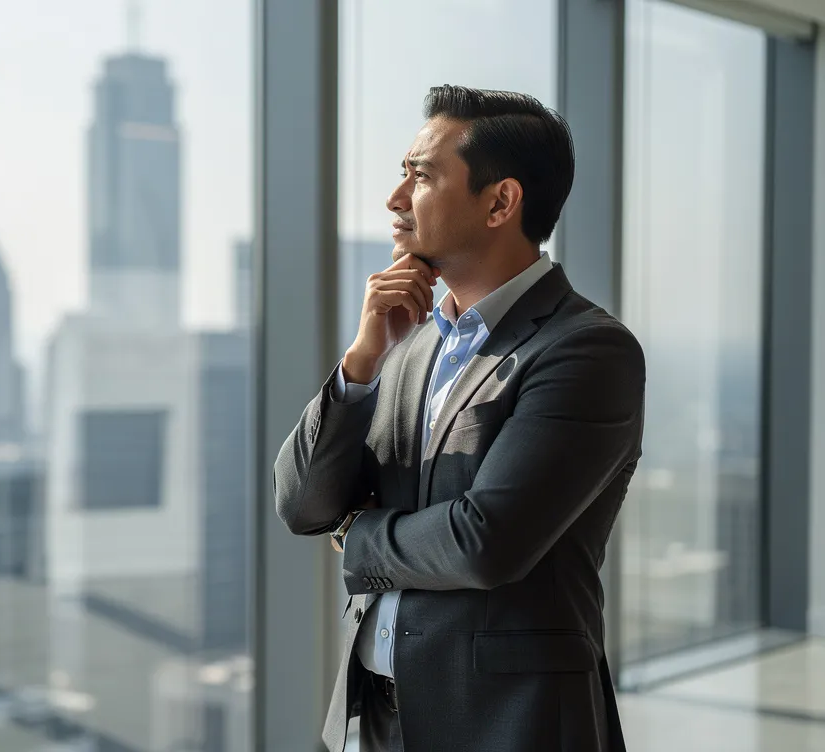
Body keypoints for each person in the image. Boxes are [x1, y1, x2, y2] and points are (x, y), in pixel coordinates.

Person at [274, 85, 644, 752]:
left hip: (509, 722)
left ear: (501, 201)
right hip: (374, 719)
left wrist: (355, 533)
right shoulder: (409, 344)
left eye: (418, 177)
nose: (394, 201)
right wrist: (361, 363)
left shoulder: (585, 349)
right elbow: (301, 504)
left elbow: (485, 541)